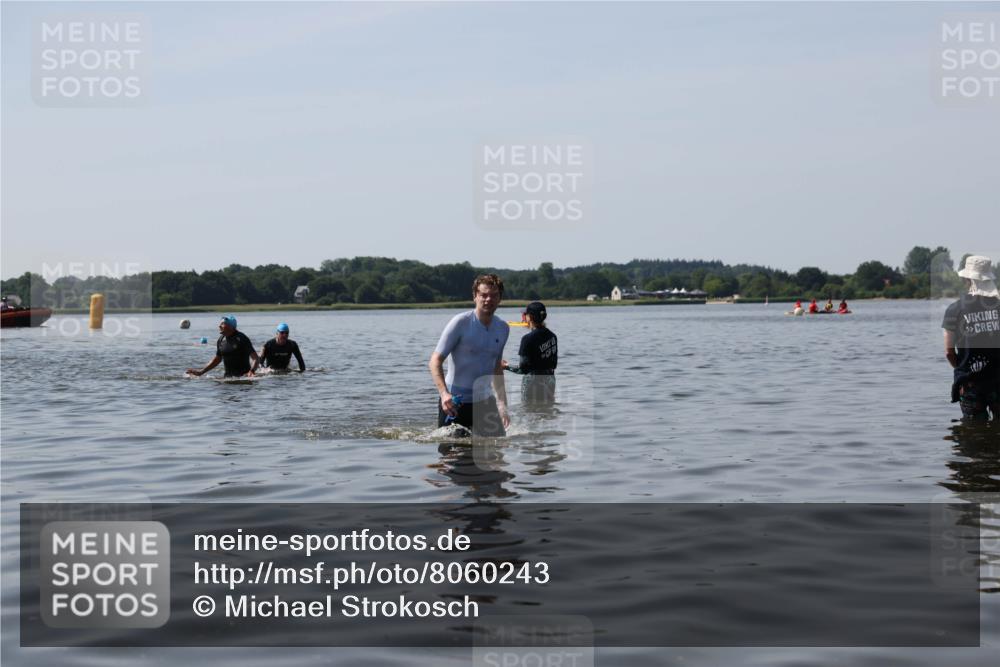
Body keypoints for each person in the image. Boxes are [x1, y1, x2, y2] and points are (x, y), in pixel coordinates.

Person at [429, 274, 510, 436]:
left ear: (500, 299)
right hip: (456, 403)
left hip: (485, 402)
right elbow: (435, 361)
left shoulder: (503, 328)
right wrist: (444, 394)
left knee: (497, 454)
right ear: (475, 297)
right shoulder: (460, 322)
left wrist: (502, 404)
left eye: (494, 295)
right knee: (453, 457)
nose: (489, 299)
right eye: (484, 295)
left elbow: (496, 367)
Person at [942, 255, 1000, 420]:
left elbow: (948, 352)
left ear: (967, 279)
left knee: (973, 435)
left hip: (970, 383)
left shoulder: (954, 309)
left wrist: (962, 369)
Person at [502, 301, 557, 405]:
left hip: (532, 382)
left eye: (525, 315)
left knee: (529, 411)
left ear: (529, 317)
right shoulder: (553, 336)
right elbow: (554, 364)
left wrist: (505, 366)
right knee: (547, 411)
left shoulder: (527, 339)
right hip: (550, 380)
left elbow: (523, 369)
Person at [186, 315, 259, 378]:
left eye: (223, 324)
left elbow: (255, 358)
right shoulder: (221, 339)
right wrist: (201, 372)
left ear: (231, 326)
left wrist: (252, 371)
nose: (219, 326)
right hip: (227, 378)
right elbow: (217, 359)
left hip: (244, 378)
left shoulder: (241, 338)